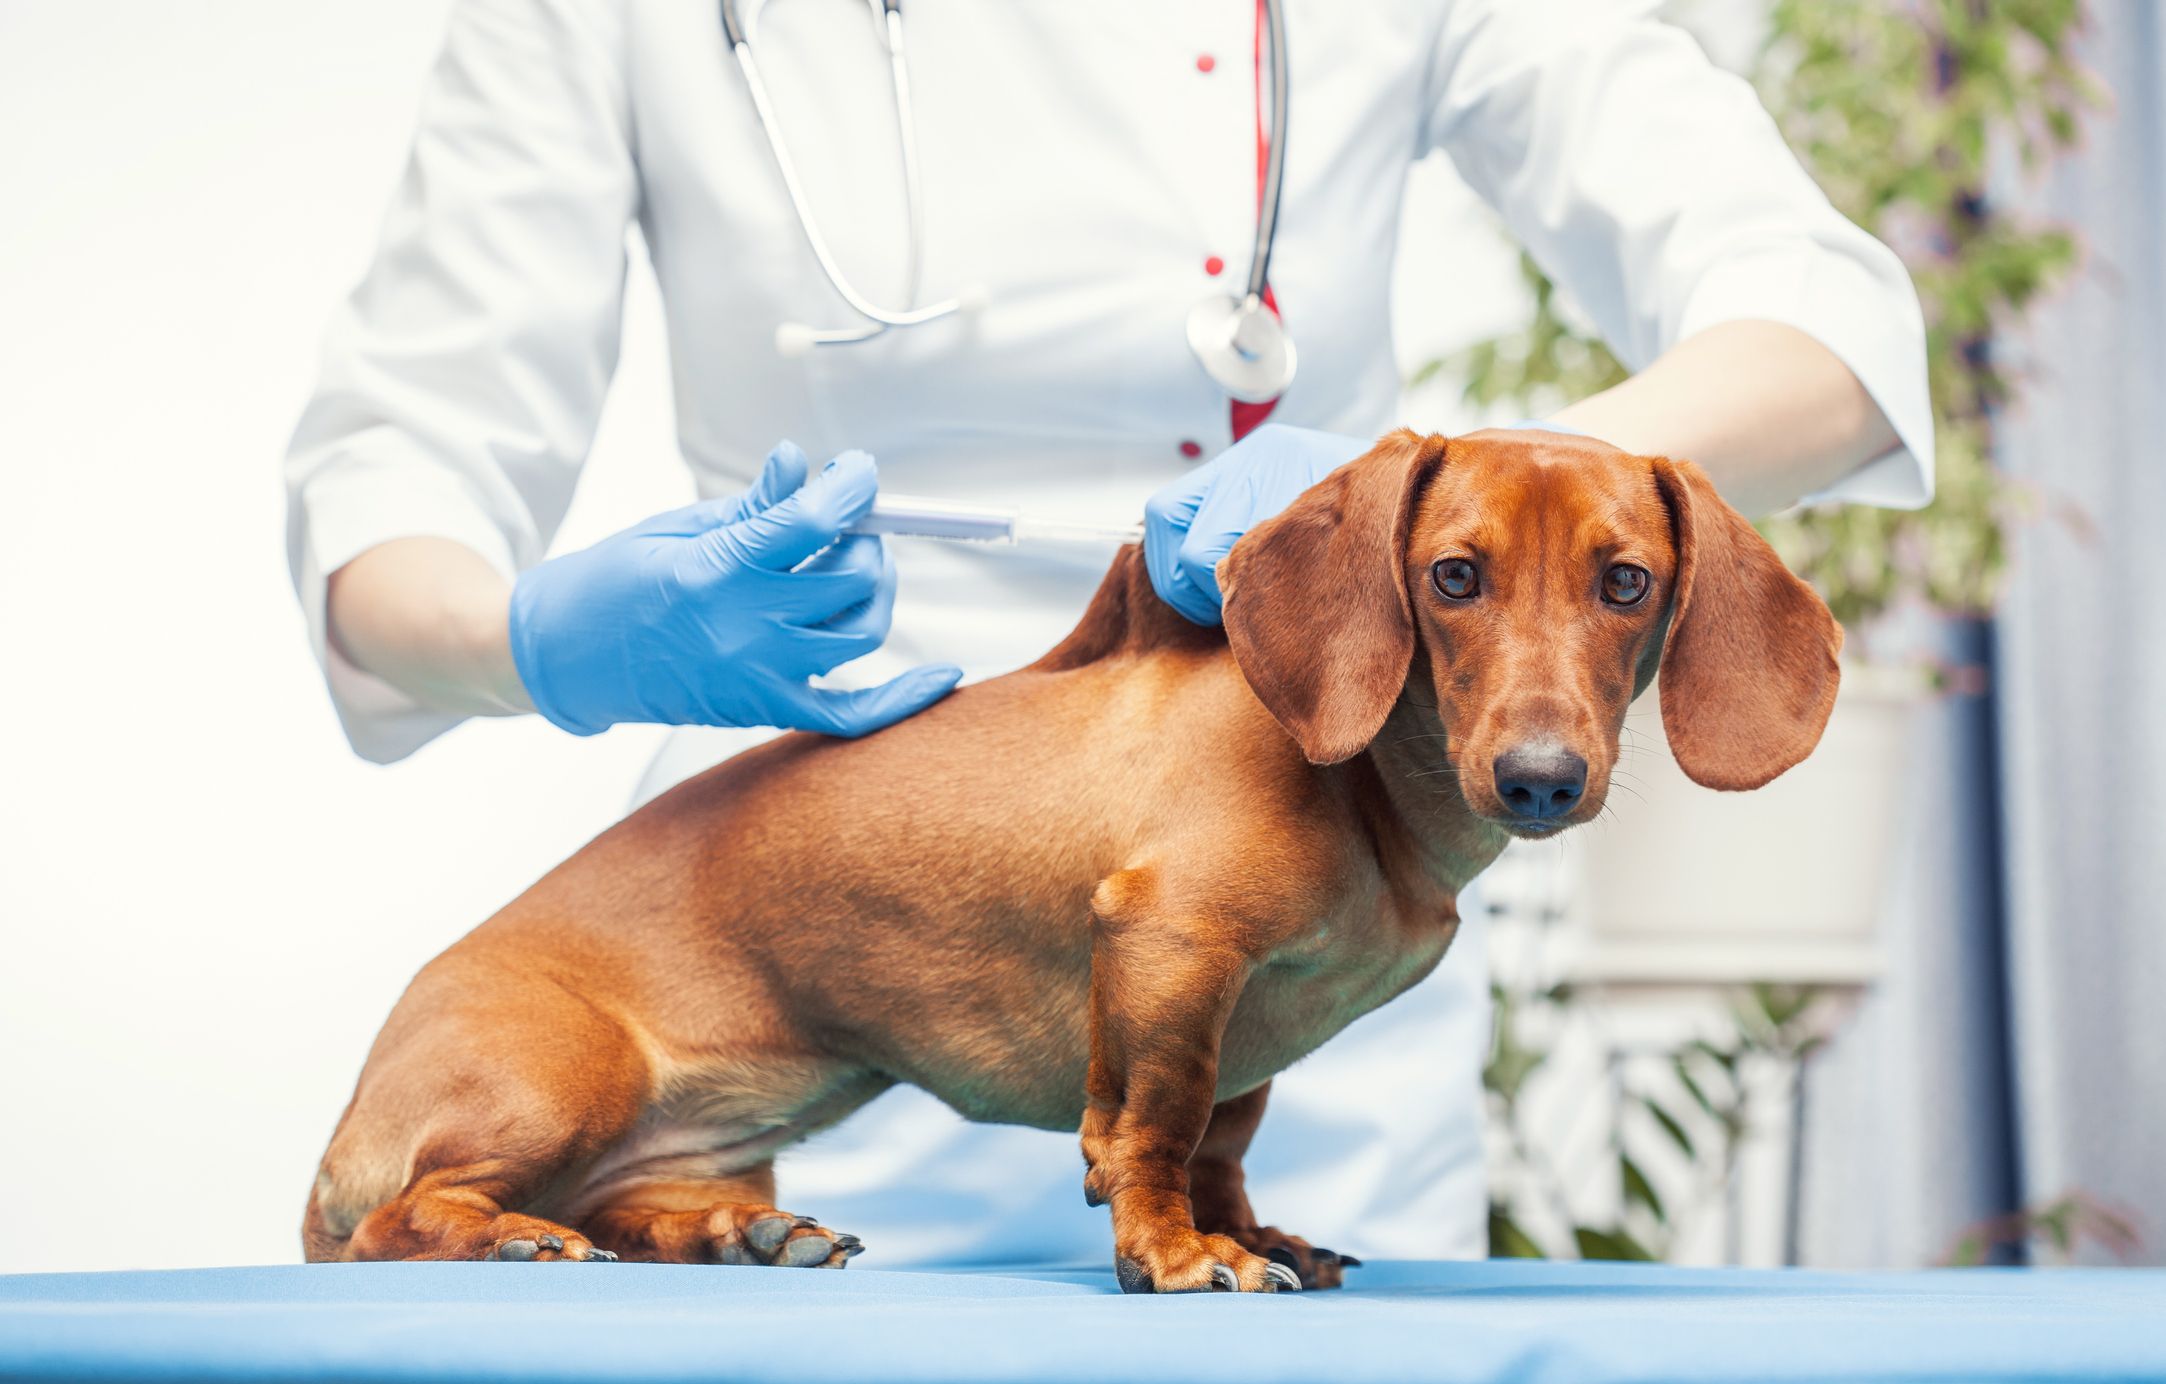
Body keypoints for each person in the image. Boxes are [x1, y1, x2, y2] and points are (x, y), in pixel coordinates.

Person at [285, 0, 1931, 1266]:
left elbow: (1826, 325)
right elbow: (394, 468)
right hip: (812, 909)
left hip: (1318, 836)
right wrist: (537, 641)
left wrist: (1460, 515)